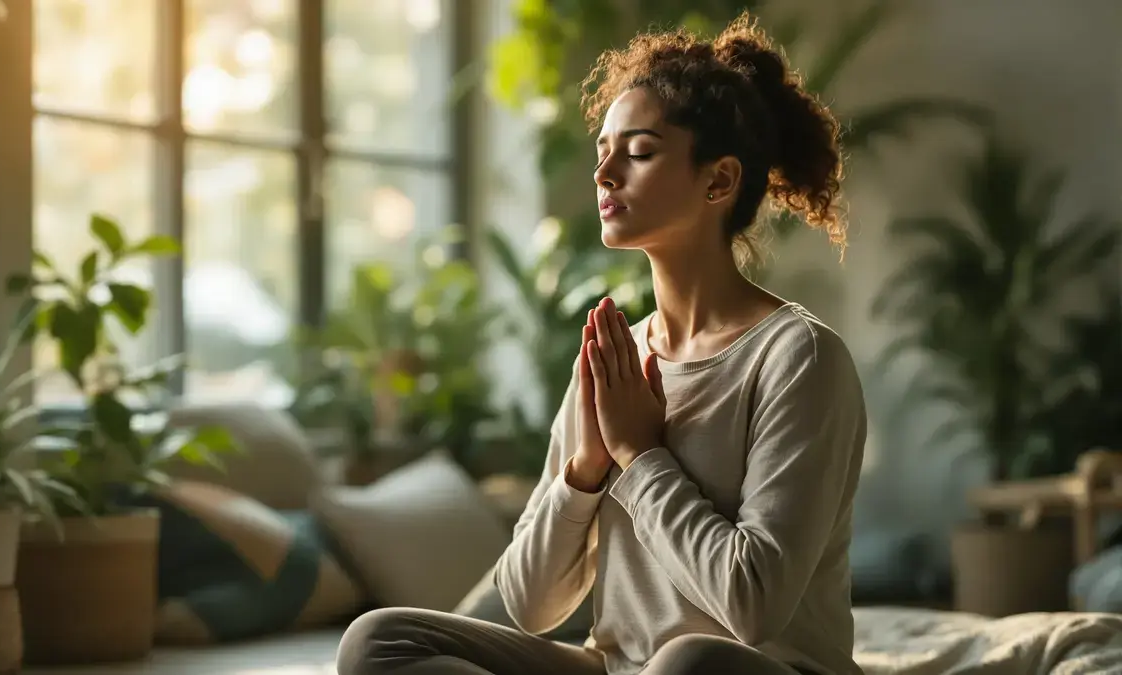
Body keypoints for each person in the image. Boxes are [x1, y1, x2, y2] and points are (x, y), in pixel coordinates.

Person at [337, 12, 866, 675]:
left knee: (688, 663)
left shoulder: (799, 357)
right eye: (602, 152)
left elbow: (751, 606)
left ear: (719, 181)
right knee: (379, 640)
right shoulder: (614, 357)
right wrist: (584, 471)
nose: (605, 173)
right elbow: (529, 606)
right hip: (617, 667)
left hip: (749, 670)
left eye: (639, 151)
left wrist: (639, 455)